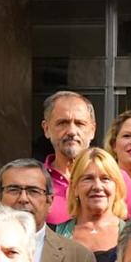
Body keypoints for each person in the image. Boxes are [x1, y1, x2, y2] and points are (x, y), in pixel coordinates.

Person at [55, 147, 129, 262]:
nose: (97, 187)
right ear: (75, 188)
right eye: (88, 179)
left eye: (105, 179)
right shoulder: (55, 235)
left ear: (117, 186)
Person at [41, 90, 97, 226]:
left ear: (92, 131)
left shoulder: (116, 179)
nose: (72, 131)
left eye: (80, 123)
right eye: (63, 123)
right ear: (46, 129)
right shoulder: (35, 182)